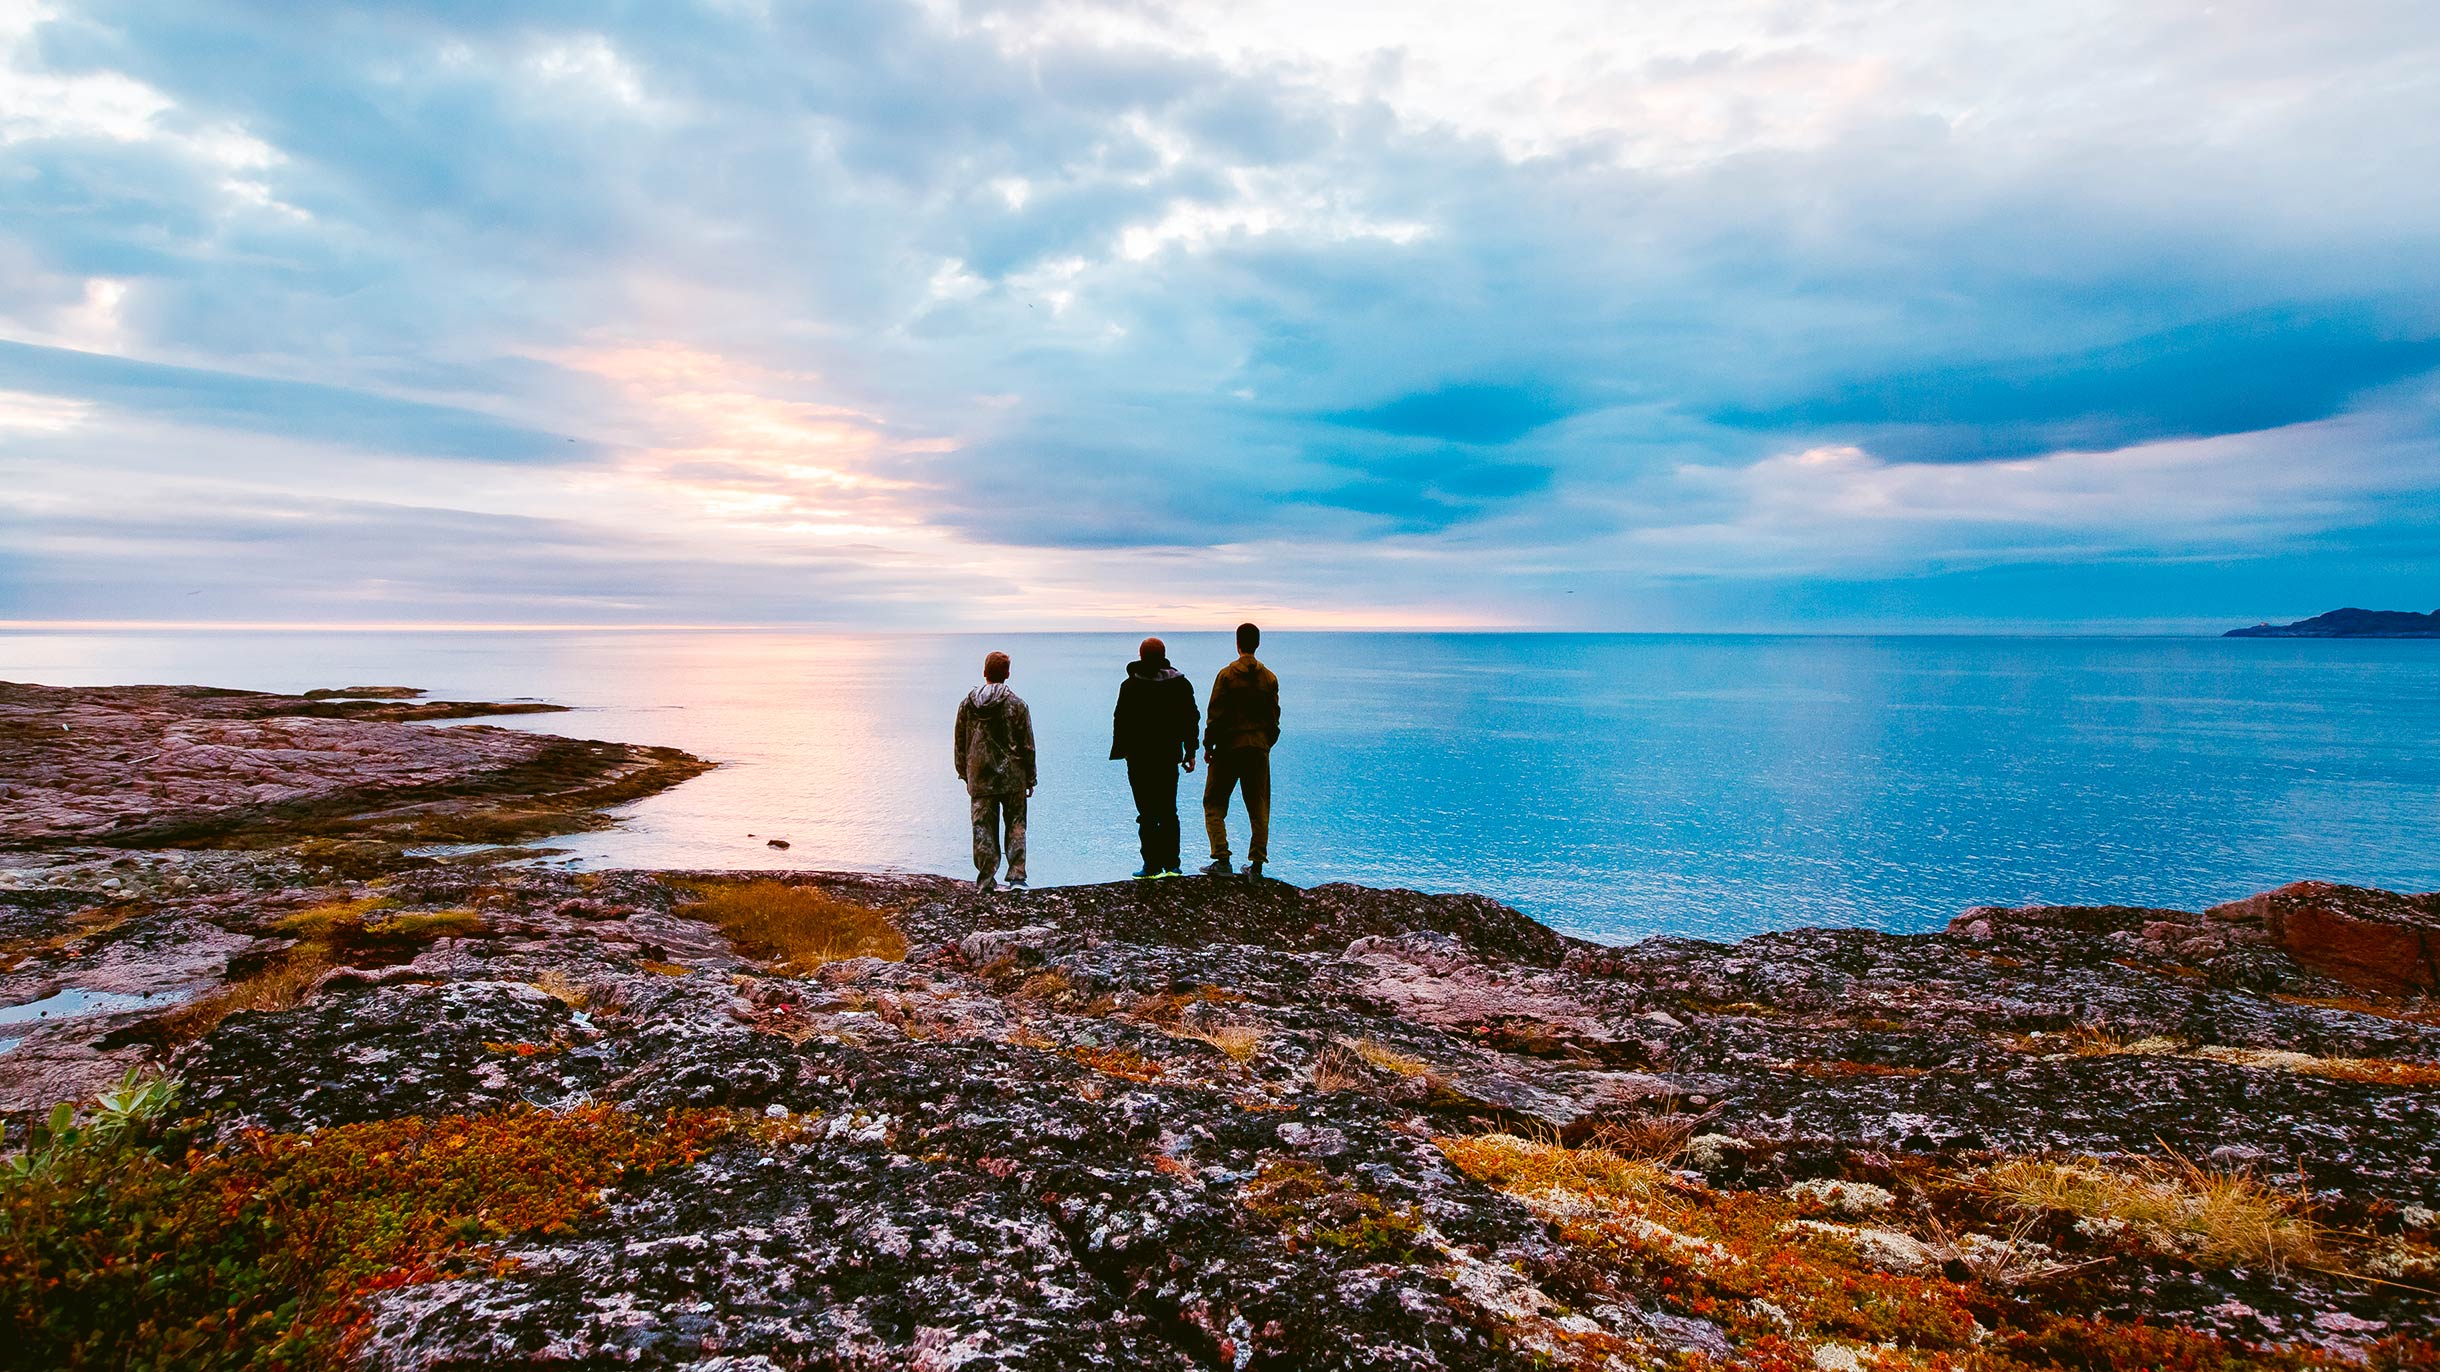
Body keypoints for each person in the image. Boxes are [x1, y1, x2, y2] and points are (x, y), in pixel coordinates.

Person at [1109, 636, 1200, 878]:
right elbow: (1191, 717)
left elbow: (1121, 720)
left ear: (1141, 656)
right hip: (1168, 756)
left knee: (1146, 813)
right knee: (1169, 810)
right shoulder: (1180, 684)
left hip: (1139, 758)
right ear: (1164, 656)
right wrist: (1190, 750)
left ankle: (1151, 865)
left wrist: (1123, 751)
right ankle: (1172, 864)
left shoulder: (1130, 686)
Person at [1201, 621, 1280, 879]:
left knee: (1214, 802)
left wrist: (1208, 745)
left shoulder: (1226, 675)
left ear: (1237, 644)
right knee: (1258, 806)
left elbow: (1215, 714)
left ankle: (1222, 858)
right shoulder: (1269, 678)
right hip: (1257, 748)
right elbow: (1274, 718)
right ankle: (1256, 866)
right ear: (1257, 644)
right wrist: (1266, 742)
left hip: (1227, 747)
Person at [954, 650, 1035, 892]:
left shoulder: (967, 705)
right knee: (1016, 823)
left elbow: (960, 742)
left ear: (984, 672)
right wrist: (1030, 777)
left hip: (980, 776)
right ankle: (1017, 876)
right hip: (1013, 777)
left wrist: (965, 773)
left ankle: (986, 880)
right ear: (1007, 674)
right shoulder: (1017, 705)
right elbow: (1027, 744)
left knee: (982, 828)